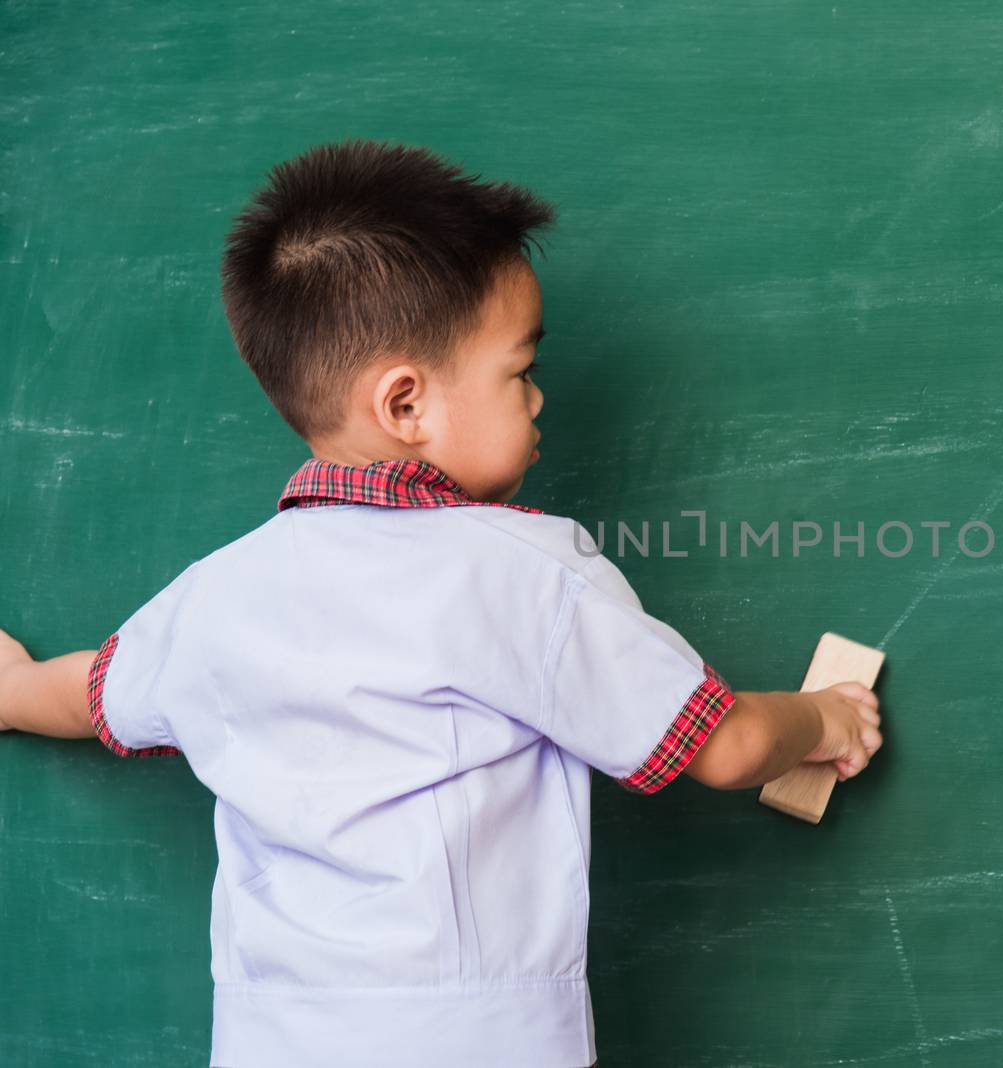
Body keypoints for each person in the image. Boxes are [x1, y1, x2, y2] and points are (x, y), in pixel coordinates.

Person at [0, 139, 884, 1068]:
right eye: (519, 370)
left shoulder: (215, 594)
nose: (539, 398)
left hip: (271, 1042)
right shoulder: (524, 571)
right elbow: (727, 745)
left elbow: (90, 695)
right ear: (406, 404)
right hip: (475, 1042)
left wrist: (11, 688)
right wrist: (825, 717)